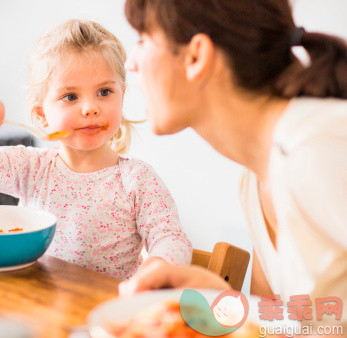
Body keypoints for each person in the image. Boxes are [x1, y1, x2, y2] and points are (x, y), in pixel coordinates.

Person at [118, 0, 347, 328]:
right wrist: (220, 298)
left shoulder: (317, 151)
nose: (130, 63)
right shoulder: (256, 179)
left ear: (196, 56)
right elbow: (280, 328)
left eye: (143, 40)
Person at [0, 19, 192, 279]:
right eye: (71, 97)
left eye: (104, 91)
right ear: (42, 114)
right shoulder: (32, 168)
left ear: (121, 95)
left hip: (108, 312)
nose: (90, 107)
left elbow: (172, 239)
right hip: (40, 305)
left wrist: (158, 265)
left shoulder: (137, 180)